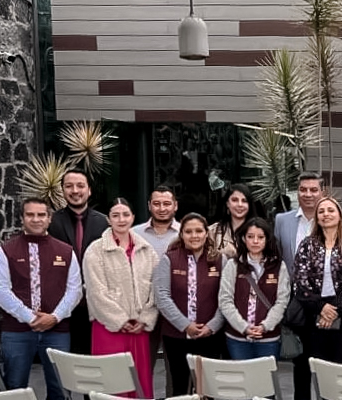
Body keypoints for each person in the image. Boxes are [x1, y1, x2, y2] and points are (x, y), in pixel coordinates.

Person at [0, 198, 82, 400]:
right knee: (14, 387)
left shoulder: (66, 251)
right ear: (22, 219)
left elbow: (75, 290)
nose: (36, 219)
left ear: (49, 218)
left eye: (41, 215)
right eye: (30, 214)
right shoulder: (6, 250)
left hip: (57, 330)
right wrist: (30, 317)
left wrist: (54, 317)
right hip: (17, 331)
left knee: (60, 388)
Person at [83, 198, 159, 399]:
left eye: (125, 214)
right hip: (109, 328)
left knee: (139, 384)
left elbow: (155, 289)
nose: (121, 219)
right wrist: (120, 320)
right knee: (113, 385)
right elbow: (95, 291)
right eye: (115, 215)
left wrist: (145, 319)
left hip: (139, 329)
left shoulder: (147, 250)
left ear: (133, 217)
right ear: (108, 219)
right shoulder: (95, 250)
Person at [153, 213, 225, 395]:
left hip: (210, 336)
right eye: (189, 231)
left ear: (206, 233)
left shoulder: (219, 260)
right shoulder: (169, 259)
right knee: (179, 387)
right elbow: (162, 296)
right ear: (181, 234)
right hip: (176, 336)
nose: (194, 236)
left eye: (199, 231)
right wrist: (185, 325)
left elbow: (225, 298)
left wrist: (212, 326)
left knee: (208, 389)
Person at [292, 197, 342, 367]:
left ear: (340, 216)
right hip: (314, 314)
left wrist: (332, 311)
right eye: (321, 211)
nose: (326, 214)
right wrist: (321, 307)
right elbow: (300, 281)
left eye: (331, 210)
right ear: (317, 218)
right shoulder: (307, 245)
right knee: (319, 369)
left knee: (341, 368)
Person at [275, 172, 325, 400]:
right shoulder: (282, 220)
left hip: (327, 303)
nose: (308, 194)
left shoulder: (336, 218)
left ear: (322, 192)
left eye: (313, 190)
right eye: (303, 189)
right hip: (297, 303)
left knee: (326, 362)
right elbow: (277, 258)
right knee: (301, 362)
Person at [47, 169, 107, 354]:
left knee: (96, 358)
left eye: (80, 186)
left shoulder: (104, 223)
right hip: (62, 305)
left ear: (89, 190)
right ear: (62, 190)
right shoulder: (51, 222)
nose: (75, 191)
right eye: (69, 186)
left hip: (96, 304)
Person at [219, 217, 290, 360]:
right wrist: (243, 327)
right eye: (250, 237)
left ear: (267, 239)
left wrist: (265, 326)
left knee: (266, 374)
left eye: (260, 237)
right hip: (237, 337)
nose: (255, 241)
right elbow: (225, 300)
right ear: (244, 239)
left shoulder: (278, 266)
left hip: (268, 338)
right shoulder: (233, 265)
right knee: (242, 373)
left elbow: (282, 300)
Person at [211, 184, 263, 258]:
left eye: (244, 201)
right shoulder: (213, 231)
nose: (240, 204)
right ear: (227, 203)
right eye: (235, 200)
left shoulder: (261, 231)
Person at [133, 185, 181, 257]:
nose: (162, 209)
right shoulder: (135, 233)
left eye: (166, 204)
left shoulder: (185, 232)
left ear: (175, 206)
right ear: (149, 206)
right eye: (156, 204)